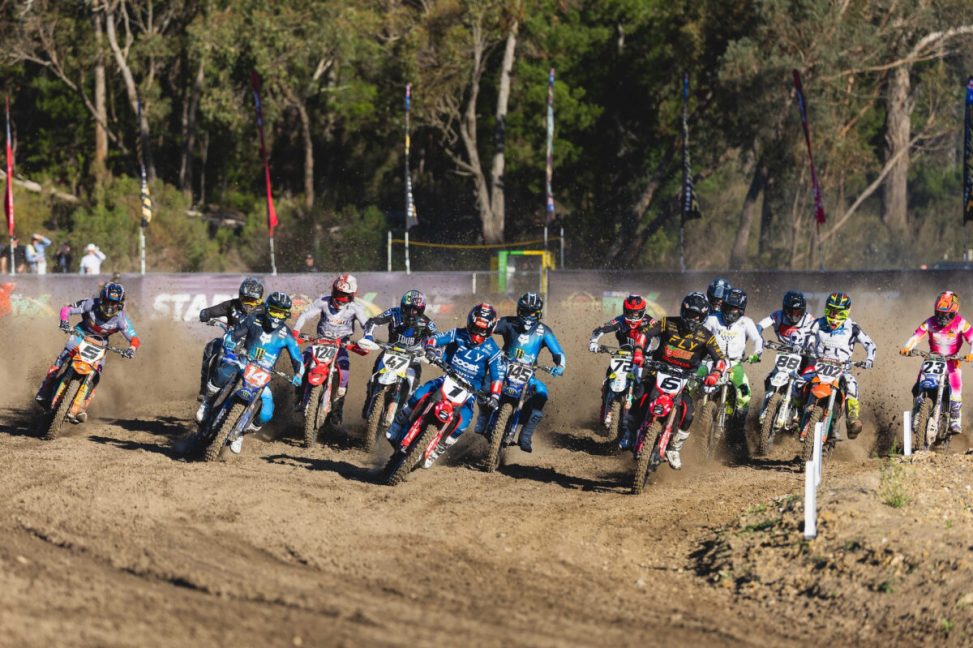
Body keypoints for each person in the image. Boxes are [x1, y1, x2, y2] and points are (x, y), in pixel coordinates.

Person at [385, 303, 503, 466]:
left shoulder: (493, 350)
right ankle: (397, 424)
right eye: (475, 328)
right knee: (419, 394)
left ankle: (438, 448)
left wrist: (495, 396)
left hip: (469, 392)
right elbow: (435, 339)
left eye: (482, 330)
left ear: (490, 330)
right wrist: (431, 349)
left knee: (463, 422)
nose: (477, 334)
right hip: (447, 378)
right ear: (470, 323)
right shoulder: (457, 333)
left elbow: (498, 377)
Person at [622, 292, 726, 469]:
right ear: (682, 311)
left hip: (685, 377)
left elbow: (721, 359)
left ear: (703, 317)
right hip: (658, 369)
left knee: (689, 411)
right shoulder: (667, 322)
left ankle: (674, 448)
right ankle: (629, 433)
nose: (692, 319)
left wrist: (715, 374)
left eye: (697, 315)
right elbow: (644, 334)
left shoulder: (706, 335)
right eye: (689, 314)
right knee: (640, 395)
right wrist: (638, 351)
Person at [201, 292, 303, 454]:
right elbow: (236, 333)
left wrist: (299, 374)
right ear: (267, 308)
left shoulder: (287, 335)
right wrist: (230, 340)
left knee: (267, 413)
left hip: (263, 373)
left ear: (286, 315)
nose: (277, 317)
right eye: (274, 311)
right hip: (243, 361)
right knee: (223, 371)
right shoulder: (253, 319)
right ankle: (206, 404)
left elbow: (297, 358)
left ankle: (241, 432)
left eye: (281, 313)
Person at [34, 282, 140, 421]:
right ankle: (44, 390)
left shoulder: (122, 319)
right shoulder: (90, 304)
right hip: (80, 334)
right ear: (102, 299)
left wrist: (131, 349)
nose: (109, 307)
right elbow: (67, 309)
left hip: (101, 343)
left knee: (96, 375)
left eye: (113, 303)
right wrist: (64, 321)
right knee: (62, 358)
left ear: (119, 304)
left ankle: (82, 407)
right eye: (107, 302)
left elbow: (134, 338)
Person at [474, 292, 565, 452]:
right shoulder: (508, 322)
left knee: (542, 392)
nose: (529, 316)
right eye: (526, 311)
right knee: (485, 384)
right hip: (503, 365)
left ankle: (526, 434)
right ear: (519, 310)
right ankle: (483, 417)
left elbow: (558, 353)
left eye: (532, 313)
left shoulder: (544, 331)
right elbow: (488, 328)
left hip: (528, 371)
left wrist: (559, 366)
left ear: (538, 313)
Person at [292, 273, 370, 426]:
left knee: (344, 372)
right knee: (301, 362)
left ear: (352, 295)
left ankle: (337, 408)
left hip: (340, 346)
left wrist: (368, 338)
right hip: (319, 342)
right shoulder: (323, 301)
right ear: (333, 290)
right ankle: (298, 395)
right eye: (338, 293)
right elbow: (305, 315)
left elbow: (367, 324)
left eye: (344, 295)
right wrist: (296, 331)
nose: (340, 299)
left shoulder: (355, 308)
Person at [799, 292, 876, 438]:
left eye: (839, 313)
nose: (834, 317)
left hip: (842, 369)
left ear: (846, 312)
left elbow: (870, 344)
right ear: (827, 309)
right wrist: (801, 342)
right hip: (818, 365)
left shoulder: (852, 327)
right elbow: (804, 333)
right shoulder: (819, 322)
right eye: (831, 311)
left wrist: (869, 359)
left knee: (852, 384)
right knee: (798, 381)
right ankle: (794, 412)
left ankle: (851, 420)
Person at [899, 291, 973, 435]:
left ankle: (955, 420)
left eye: (946, 314)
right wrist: (907, 347)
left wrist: (971, 354)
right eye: (939, 313)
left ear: (954, 312)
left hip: (952, 361)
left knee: (956, 388)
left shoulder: (962, 323)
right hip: (932, 359)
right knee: (918, 385)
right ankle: (917, 413)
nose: (942, 318)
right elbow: (916, 336)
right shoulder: (929, 322)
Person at [359, 289, 439, 420]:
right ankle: (369, 402)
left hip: (413, 357)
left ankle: (403, 418)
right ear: (403, 306)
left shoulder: (427, 322)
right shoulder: (394, 313)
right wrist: (368, 336)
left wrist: (432, 350)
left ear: (421, 310)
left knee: (414, 390)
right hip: (390, 351)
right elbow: (373, 321)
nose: (412, 313)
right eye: (409, 309)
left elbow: (437, 337)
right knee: (374, 377)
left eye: (416, 310)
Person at [194, 277, 265, 421]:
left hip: (253, 348)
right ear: (240, 296)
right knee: (211, 347)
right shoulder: (231, 305)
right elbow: (213, 311)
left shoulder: (265, 311)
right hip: (230, 343)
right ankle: (205, 395)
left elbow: (277, 329)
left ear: (259, 300)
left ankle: (250, 415)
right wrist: (205, 314)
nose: (248, 304)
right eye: (246, 299)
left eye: (253, 300)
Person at [587, 294, 654, 429]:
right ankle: (605, 405)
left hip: (644, 359)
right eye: (630, 312)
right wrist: (594, 342)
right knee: (609, 375)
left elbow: (664, 337)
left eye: (636, 314)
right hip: (623, 355)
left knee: (648, 384)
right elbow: (601, 329)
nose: (633, 317)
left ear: (643, 312)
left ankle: (645, 416)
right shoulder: (620, 320)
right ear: (624, 310)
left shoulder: (651, 323)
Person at [702, 288, 762, 420]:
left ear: (741, 310)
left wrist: (757, 353)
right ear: (723, 305)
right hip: (710, 361)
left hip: (734, 365)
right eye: (728, 307)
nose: (730, 312)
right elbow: (700, 335)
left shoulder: (746, 322)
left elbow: (757, 339)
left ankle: (738, 423)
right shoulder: (712, 319)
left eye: (734, 309)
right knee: (691, 383)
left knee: (745, 392)